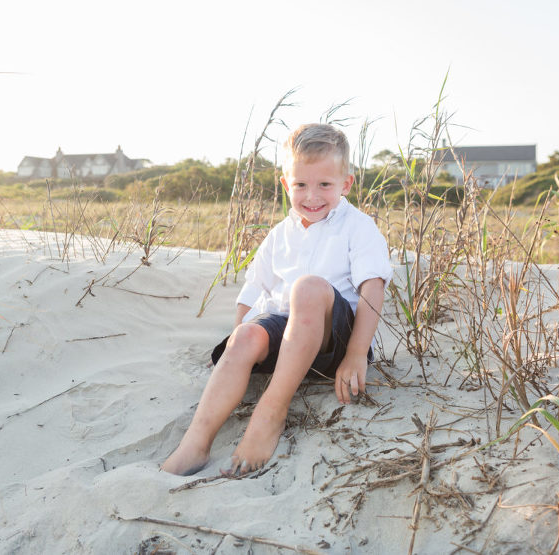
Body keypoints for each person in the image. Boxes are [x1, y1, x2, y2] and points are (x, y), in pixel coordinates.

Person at [162, 123, 393, 476]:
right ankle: (195, 443)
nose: (311, 196)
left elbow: (372, 287)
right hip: (286, 340)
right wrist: (237, 351)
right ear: (286, 184)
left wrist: (357, 353)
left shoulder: (358, 227)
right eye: (300, 185)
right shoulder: (279, 235)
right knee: (244, 334)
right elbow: (254, 290)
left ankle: (271, 412)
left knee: (307, 288)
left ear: (346, 184)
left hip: (334, 341)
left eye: (324, 185)